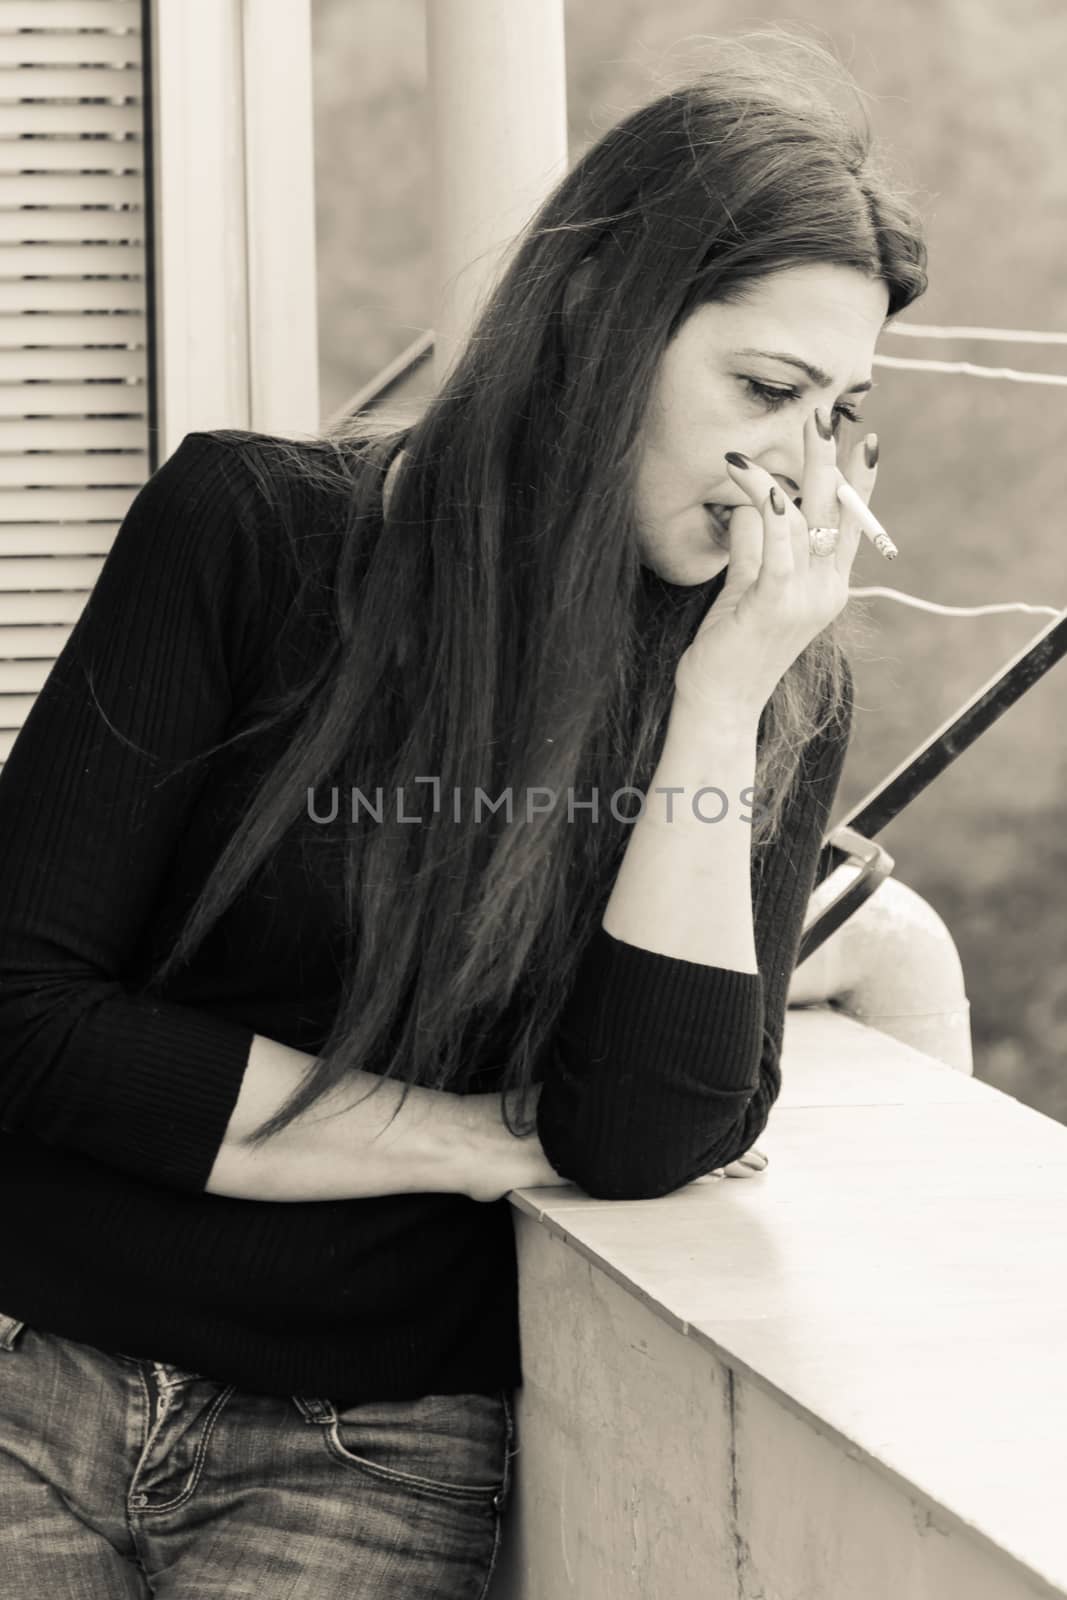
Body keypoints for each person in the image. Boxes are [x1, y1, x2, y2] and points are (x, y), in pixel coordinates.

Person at [0, 34, 927, 1600]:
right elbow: (22, 1016)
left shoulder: (771, 697)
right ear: (591, 322)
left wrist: (717, 706)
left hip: (374, 1448)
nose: (796, 462)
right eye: (765, 388)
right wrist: (469, 1140)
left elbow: (641, 1135)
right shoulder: (247, 532)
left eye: (838, 414)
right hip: (41, 1374)